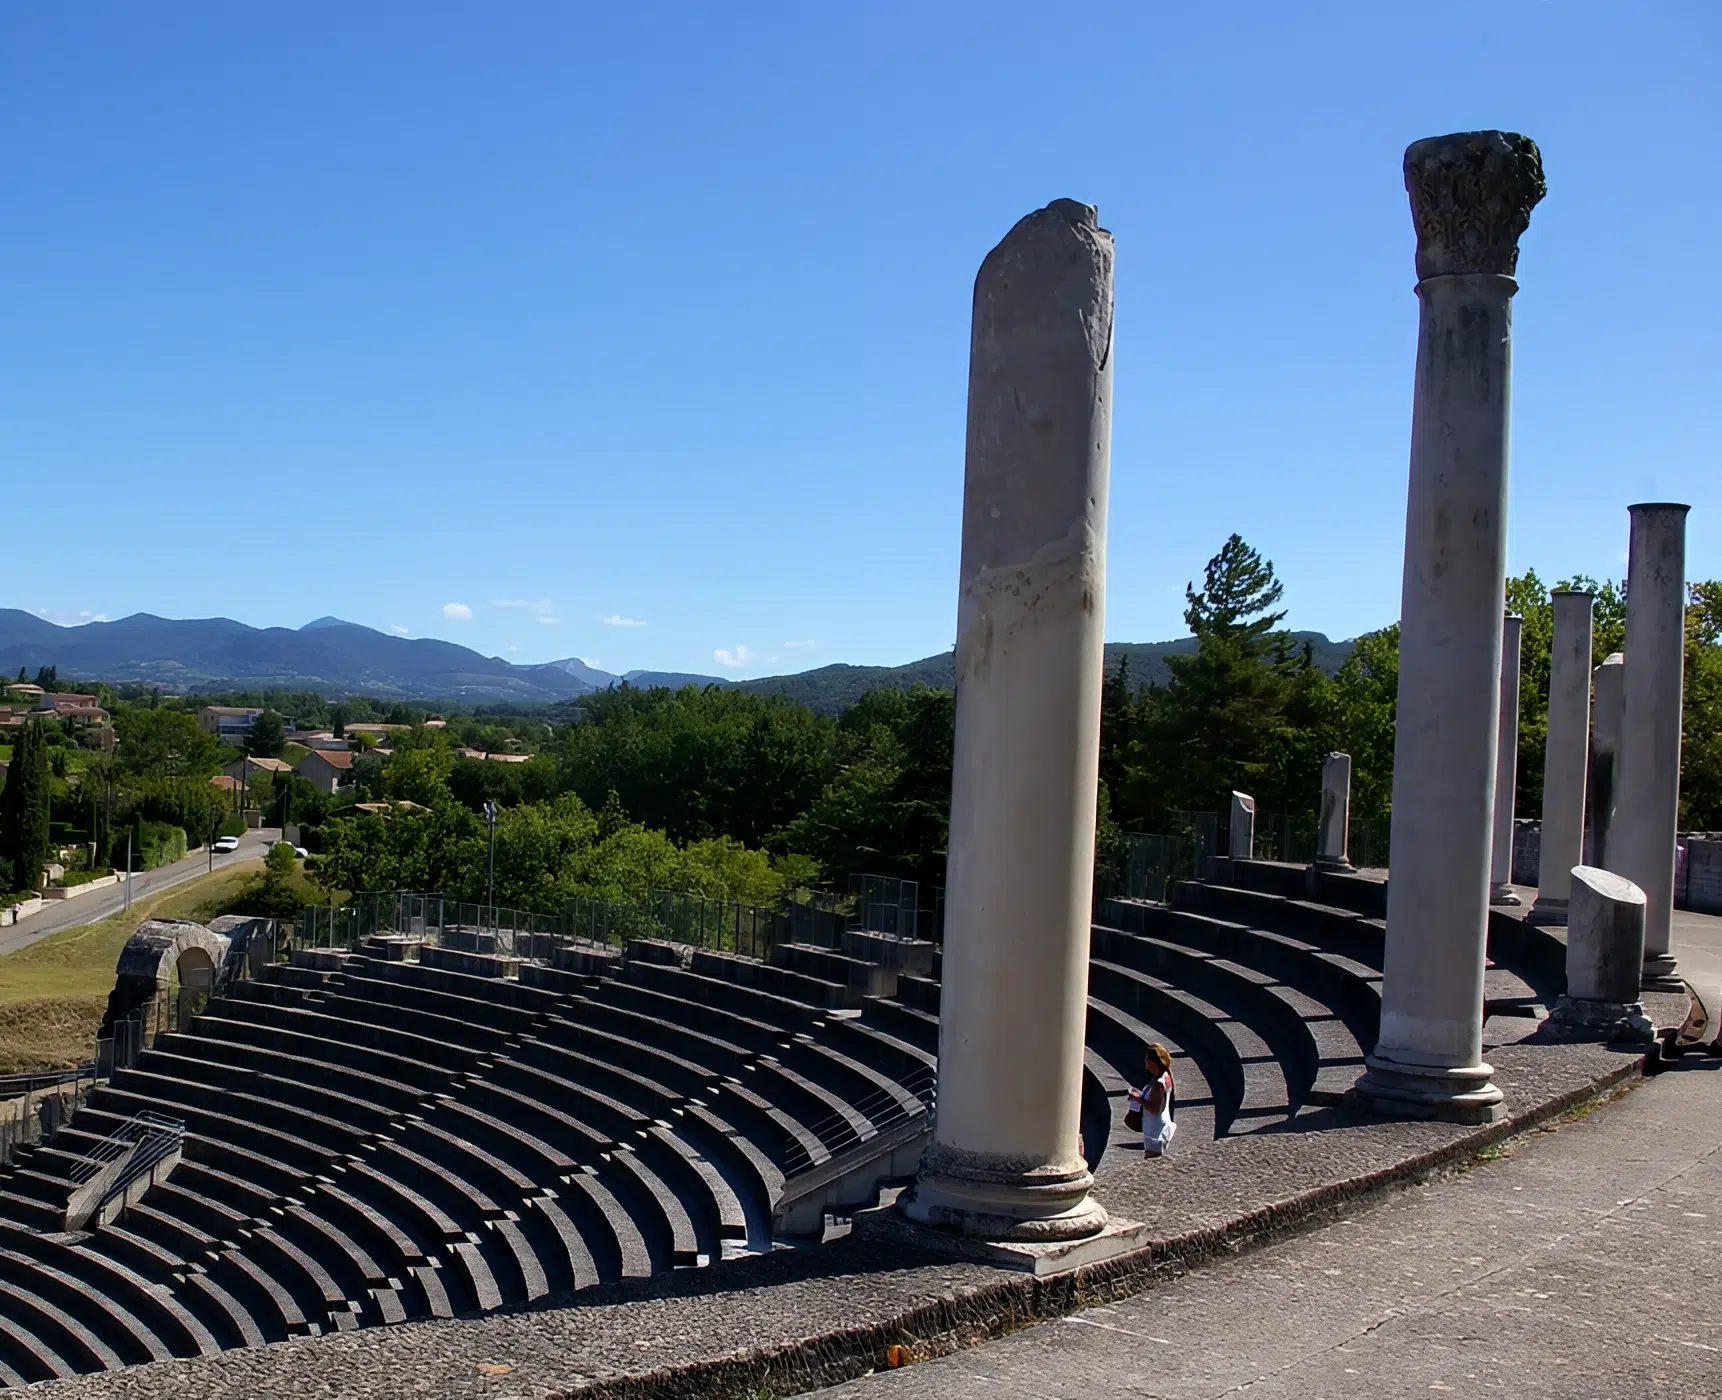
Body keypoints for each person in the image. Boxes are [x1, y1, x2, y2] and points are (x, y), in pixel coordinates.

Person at [1126, 1043, 1176, 1157]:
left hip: (1155, 1132)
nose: (1145, 1061)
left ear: (1152, 1062)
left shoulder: (1159, 1083)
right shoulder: (1162, 1076)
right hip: (1156, 1128)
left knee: (1153, 1161)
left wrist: (1138, 1099)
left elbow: (1155, 1108)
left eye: (1147, 1058)